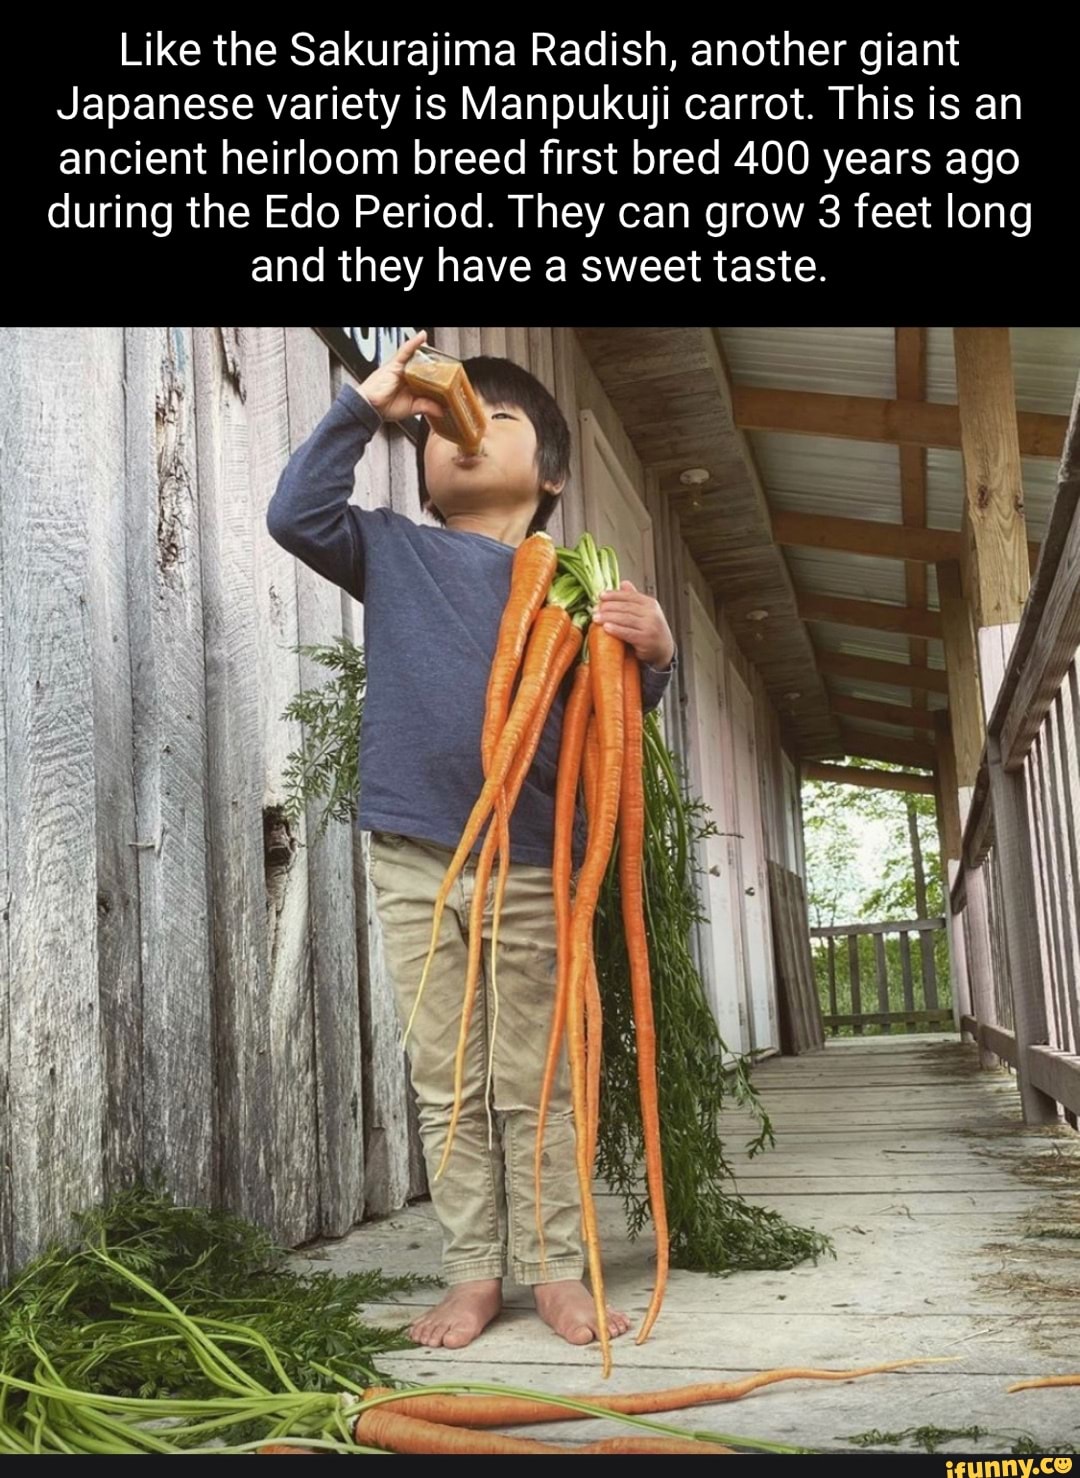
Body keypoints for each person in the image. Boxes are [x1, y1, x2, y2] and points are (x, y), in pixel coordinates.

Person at [266, 330, 677, 1351]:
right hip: (414, 852)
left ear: (551, 473)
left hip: (538, 856)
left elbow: (619, 712)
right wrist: (369, 404)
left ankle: (554, 1270)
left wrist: (656, 652)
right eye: (448, 426)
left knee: (538, 1074)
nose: (463, 433)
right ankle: (471, 1270)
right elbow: (294, 514)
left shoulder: (581, 589)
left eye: (496, 421)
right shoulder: (394, 549)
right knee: (446, 1074)